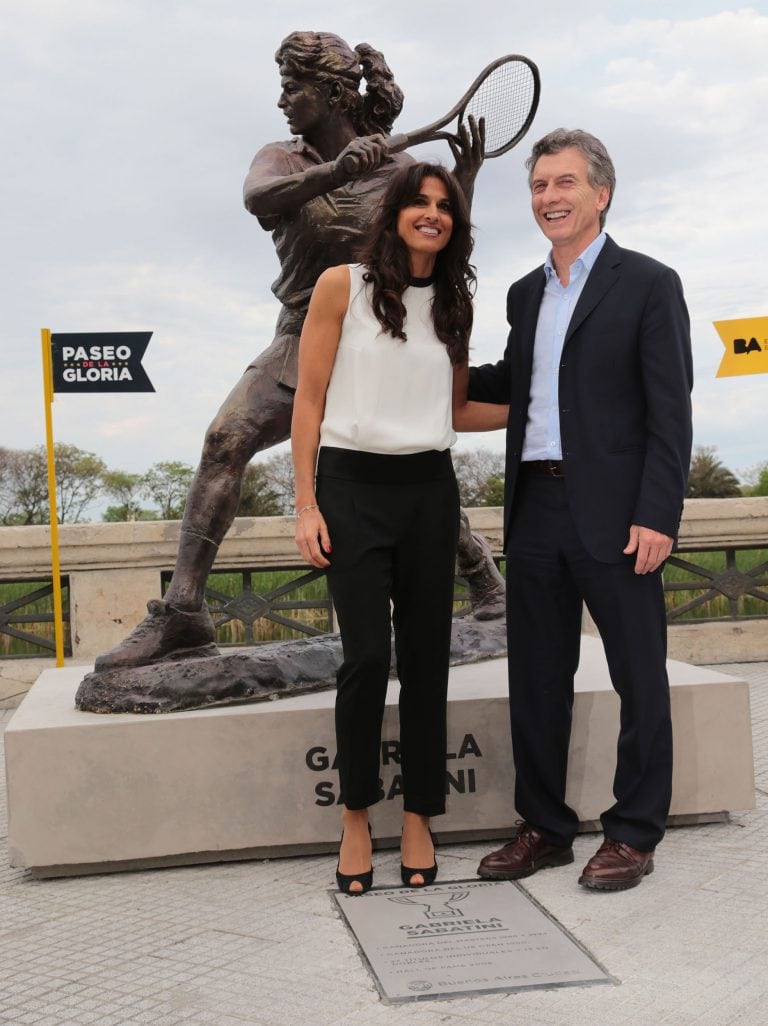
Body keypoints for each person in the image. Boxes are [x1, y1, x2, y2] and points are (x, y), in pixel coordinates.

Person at [95, 31, 487, 673]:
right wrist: (336, 170)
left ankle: (487, 582)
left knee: (400, 466)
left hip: (381, 342)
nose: (282, 100)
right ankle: (184, 615)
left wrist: (463, 181)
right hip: (301, 335)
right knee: (226, 441)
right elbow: (257, 200)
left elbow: (439, 255)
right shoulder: (282, 157)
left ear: (330, 92)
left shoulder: (402, 176)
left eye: (291, 87)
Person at [468, 128, 693, 891]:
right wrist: (412, 358)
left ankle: (633, 831)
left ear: (601, 193)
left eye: (564, 183)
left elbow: (671, 411)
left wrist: (659, 512)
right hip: (535, 507)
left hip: (620, 512)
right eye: (537, 186)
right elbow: (512, 380)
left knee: (639, 675)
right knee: (535, 676)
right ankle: (546, 827)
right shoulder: (525, 294)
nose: (548, 198)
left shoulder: (649, 283)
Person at [292, 161, 507, 894]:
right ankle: (357, 815)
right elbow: (309, 403)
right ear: (396, 213)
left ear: (456, 224)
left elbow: (455, 412)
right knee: (362, 661)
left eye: (444, 207)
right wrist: (305, 503)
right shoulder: (340, 287)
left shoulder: (453, 306)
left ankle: (420, 816)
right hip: (350, 486)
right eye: (419, 202)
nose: (432, 214)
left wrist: (546, 403)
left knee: (426, 660)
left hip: (428, 491)